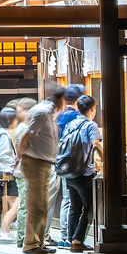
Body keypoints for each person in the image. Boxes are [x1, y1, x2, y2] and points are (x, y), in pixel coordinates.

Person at [15, 87, 63, 254]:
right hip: (36, 163)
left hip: (44, 163)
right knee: (37, 205)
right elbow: (27, 136)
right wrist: (20, 156)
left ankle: (38, 242)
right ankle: (31, 244)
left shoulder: (48, 114)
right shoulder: (43, 113)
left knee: (42, 205)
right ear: (59, 99)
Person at [60, 94, 102, 252]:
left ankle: (72, 240)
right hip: (84, 173)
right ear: (93, 109)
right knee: (89, 207)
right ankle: (77, 240)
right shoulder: (91, 125)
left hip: (69, 172)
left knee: (74, 207)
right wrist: (106, 163)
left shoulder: (71, 124)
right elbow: (96, 145)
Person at [0, 102, 29, 242]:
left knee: (7, 204)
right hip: (5, 173)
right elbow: (4, 155)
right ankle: (3, 231)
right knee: (16, 204)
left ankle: (5, 230)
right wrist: (15, 163)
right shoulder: (4, 135)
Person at [51, 85, 85, 241]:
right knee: (72, 200)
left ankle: (64, 235)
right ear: (78, 100)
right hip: (74, 163)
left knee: (66, 199)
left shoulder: (59, 116)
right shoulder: (77, 117)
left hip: (60, 161)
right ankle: (67, 235)